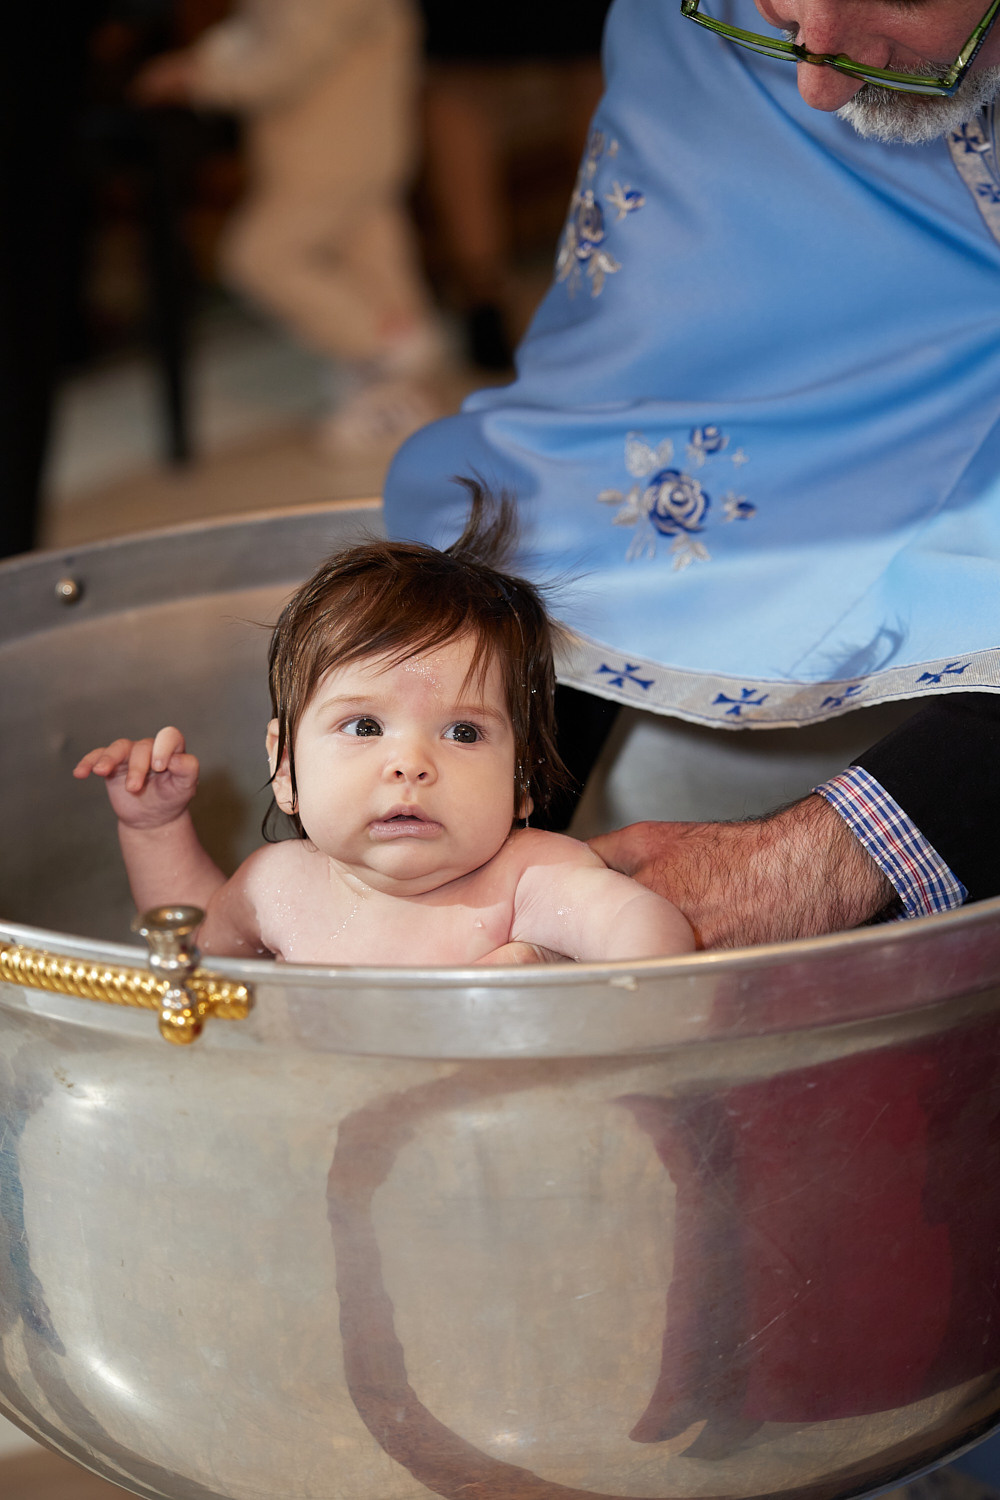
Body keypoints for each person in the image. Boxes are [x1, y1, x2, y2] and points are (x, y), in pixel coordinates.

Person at [382, 0, 1000, 947]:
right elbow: (625, 422)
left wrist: (839, 854)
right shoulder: (734, 69)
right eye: (780, 6)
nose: (819, 79)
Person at [72, 484, 693, 965]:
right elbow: (196, 947)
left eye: (463, 732)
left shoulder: (532, 877)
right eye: (365, 727)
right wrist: (155, 828)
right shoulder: (279, 886)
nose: (410, 764)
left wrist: (620, 986)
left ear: (521, 781)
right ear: (285, 765)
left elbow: (643, 932)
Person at [132, 0, 447, 454]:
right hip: (355, 145)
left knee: (259, 257)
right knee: (372, 256)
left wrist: (200, 77)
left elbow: (285, 58)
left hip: (329, 153)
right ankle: (397, 385)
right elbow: (263, 30)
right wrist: (206, 60)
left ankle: (381, 348)